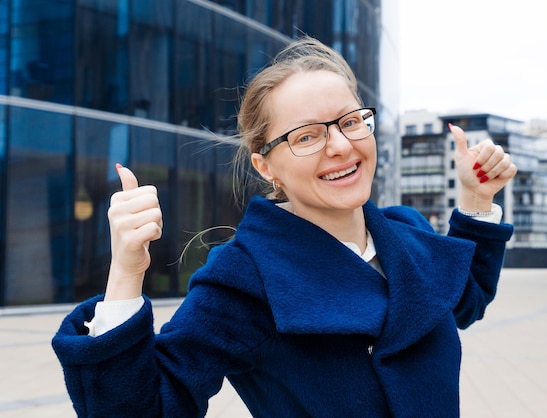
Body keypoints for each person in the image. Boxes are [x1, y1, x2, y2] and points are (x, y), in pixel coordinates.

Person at [52, 36, 516, 417]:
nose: (339, 145)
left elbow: (464, 302)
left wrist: (478, 200)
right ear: (266, 166)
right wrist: (126, 274)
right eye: (307, 136)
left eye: (351, 121)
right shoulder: (247, 277)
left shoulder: (405, 230)